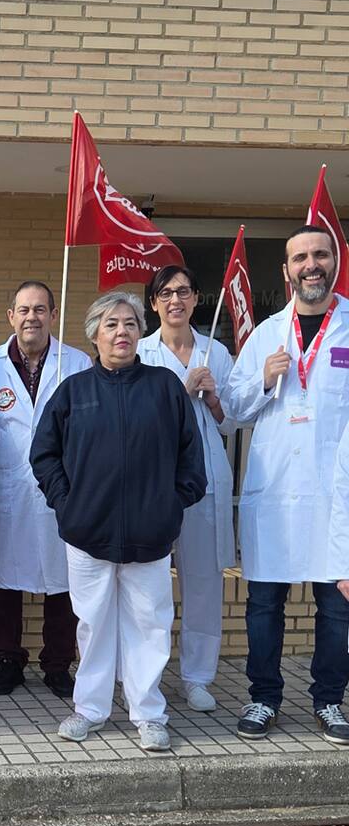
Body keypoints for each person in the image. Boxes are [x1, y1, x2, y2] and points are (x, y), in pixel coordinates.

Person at [31, 291, 206, 753]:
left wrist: (172, 505)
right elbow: (44, 454)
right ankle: (89, 709)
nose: (122, 332)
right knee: (91, 623)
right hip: (87, 532)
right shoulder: (74, 392)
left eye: (129, 323)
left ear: (139, 332)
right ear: (94, 335)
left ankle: (148, 713)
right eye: (111, 325)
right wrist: (67, 504)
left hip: (150, 534)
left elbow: (191, 457)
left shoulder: (165, 386)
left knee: (149, 623)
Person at [226, 225, 349, 745]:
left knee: (336, 607)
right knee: (263, 605)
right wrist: (263, 380)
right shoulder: (264, 335)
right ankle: (263, 697)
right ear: (286, 270)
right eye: (300, 257)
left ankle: (328, 702)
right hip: (275, 495)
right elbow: (231, 410)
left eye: (320, 254)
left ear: (335, 263)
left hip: (335, 496)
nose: (311, 265)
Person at [0, 281, 91, 698]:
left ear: (53, 316)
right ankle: (8, 660)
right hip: (7, 487)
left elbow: (84, 433)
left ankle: (58, 664)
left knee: (62, 577)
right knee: (5, 577)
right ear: (11, 316)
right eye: (23, 310)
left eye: (40, 310)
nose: (31, 318)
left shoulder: (76, 363)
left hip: (61, 491)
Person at [139, 265, 240, 712]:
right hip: (154, 483)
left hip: (203, 482)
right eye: (165, 293)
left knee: (203, 583)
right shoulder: (139, 352)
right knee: (150, 584)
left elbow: (235, 421)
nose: (174, 300)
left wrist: (215, 397)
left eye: (183, 291)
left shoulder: (215, 351)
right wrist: (183, 390)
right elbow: (137, 419)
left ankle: (198, 677)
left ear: (196, 298)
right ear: (154, 302)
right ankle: (148, 677)